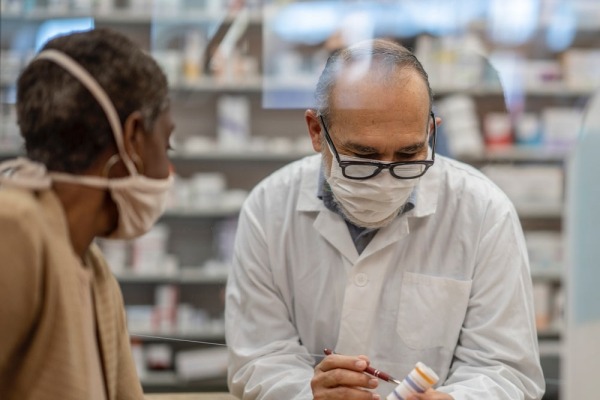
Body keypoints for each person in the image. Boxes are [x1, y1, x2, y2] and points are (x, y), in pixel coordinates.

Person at [225, 38, 545, 399]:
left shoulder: (484, 212)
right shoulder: (268, 209)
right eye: (363, 156)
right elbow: (258, 357)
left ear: (431, 132)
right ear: (317, 132)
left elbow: (505, 369)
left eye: (409, 154)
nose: (386, 177)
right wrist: (308, 394)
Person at [0, 28, 174, 400]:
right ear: (132, 139)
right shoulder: (14, 229)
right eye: (167, 141)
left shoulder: (93, 271)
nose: (170, 169)